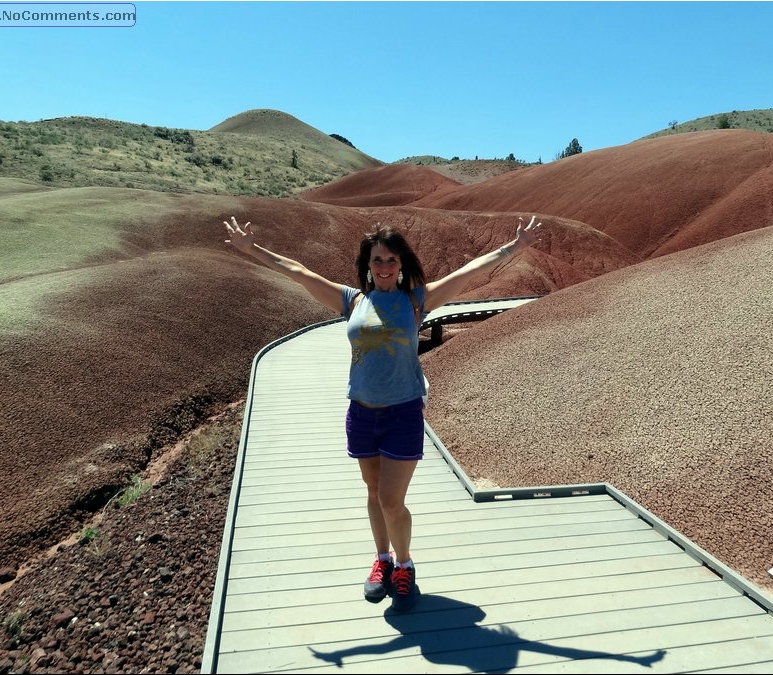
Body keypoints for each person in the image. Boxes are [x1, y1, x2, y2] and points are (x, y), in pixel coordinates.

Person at [224, 214, 544, 611]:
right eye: (377, 260)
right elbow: (299, 271)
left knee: (392, 500)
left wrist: (515, 248)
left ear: (402, 263)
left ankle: (405, 565)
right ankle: (382, 560)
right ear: (367, 266)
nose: (385, 267)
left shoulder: (416, 300)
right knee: (373, 495)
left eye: (392, 260)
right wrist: (251, 250)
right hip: (361, 413)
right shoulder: (352, 301)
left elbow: (468, 271)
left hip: (402, 413)